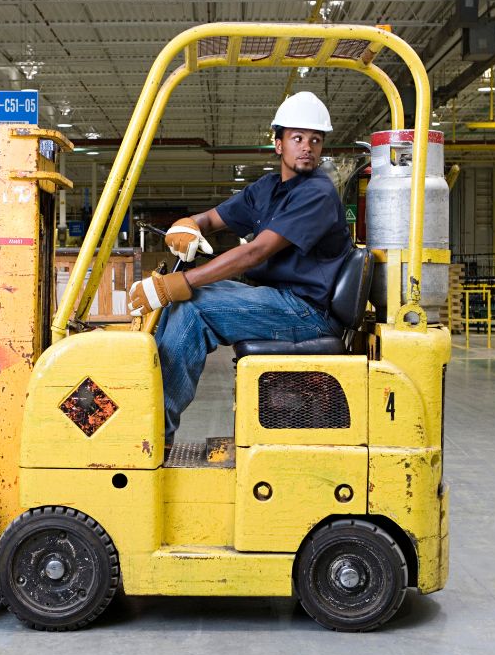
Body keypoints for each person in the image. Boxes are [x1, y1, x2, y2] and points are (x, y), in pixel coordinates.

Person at [128, 91, 352, 446]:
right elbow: (213, 218)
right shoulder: (267, 188)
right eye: (297, 138)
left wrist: (179, 282)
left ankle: (152, 435)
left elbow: (255, 253)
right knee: (179, 305)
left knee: (193, 309)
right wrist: (189, 224)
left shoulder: (317, 193)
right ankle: (141, 412)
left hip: (307, 311)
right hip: (278, 300)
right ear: (278, 144)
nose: (307, 147)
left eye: (315, 140)